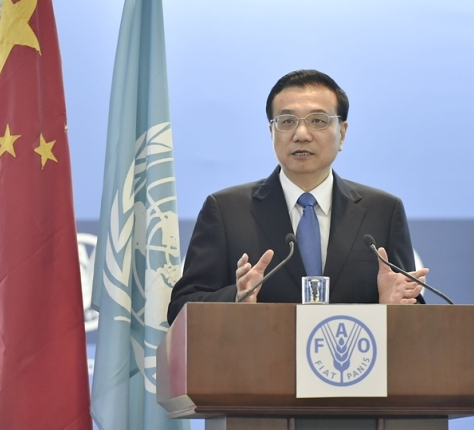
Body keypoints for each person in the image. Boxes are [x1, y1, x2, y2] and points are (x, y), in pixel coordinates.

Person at [167, 70, 427, 324]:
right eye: (287, 121)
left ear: (342, 133)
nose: (301, 134)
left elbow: (414, 314)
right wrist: (236, 297)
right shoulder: (227, 211)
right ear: (272, 132)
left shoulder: (383, 211)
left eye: (318, 121)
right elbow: (181, 307)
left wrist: (392, 307)